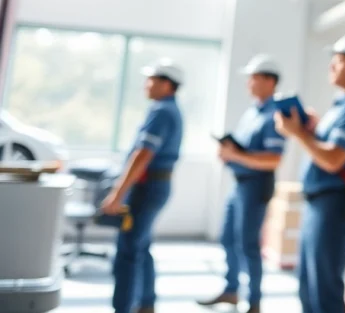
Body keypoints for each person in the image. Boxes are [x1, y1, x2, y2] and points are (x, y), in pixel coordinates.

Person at [274, 35, 345, 313]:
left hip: (336, 201)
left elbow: (333, 159)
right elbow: (327, 149)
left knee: (324, 286)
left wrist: (298, 134)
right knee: (308, 281)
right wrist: (311, 131)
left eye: (340, 59)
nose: (332, 65)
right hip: (321, 201)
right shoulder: (343, 105)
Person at [198, 54, 286, 313]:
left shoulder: (275, 115)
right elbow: (246, 150)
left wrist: (235, 155)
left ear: (269, 81)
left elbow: (273, 159)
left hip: (256, 186)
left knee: (248, 244)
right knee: (228, 238)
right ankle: (231, 290)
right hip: (239, 184)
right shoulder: (252, 112)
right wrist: (229, 151)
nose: (249, 83)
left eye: (254, 78)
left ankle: (255, 301)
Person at [100, 59, 184, 313]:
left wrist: (117, 194)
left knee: (128, 251)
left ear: (166, 84)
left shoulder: (162, 112)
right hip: (156, 186)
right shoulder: (168, 109)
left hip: (147, 189)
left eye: (151, 80)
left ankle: (124, 308)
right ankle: (146, 304)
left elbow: (142, 156)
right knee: (141, 246)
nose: (145, 85)